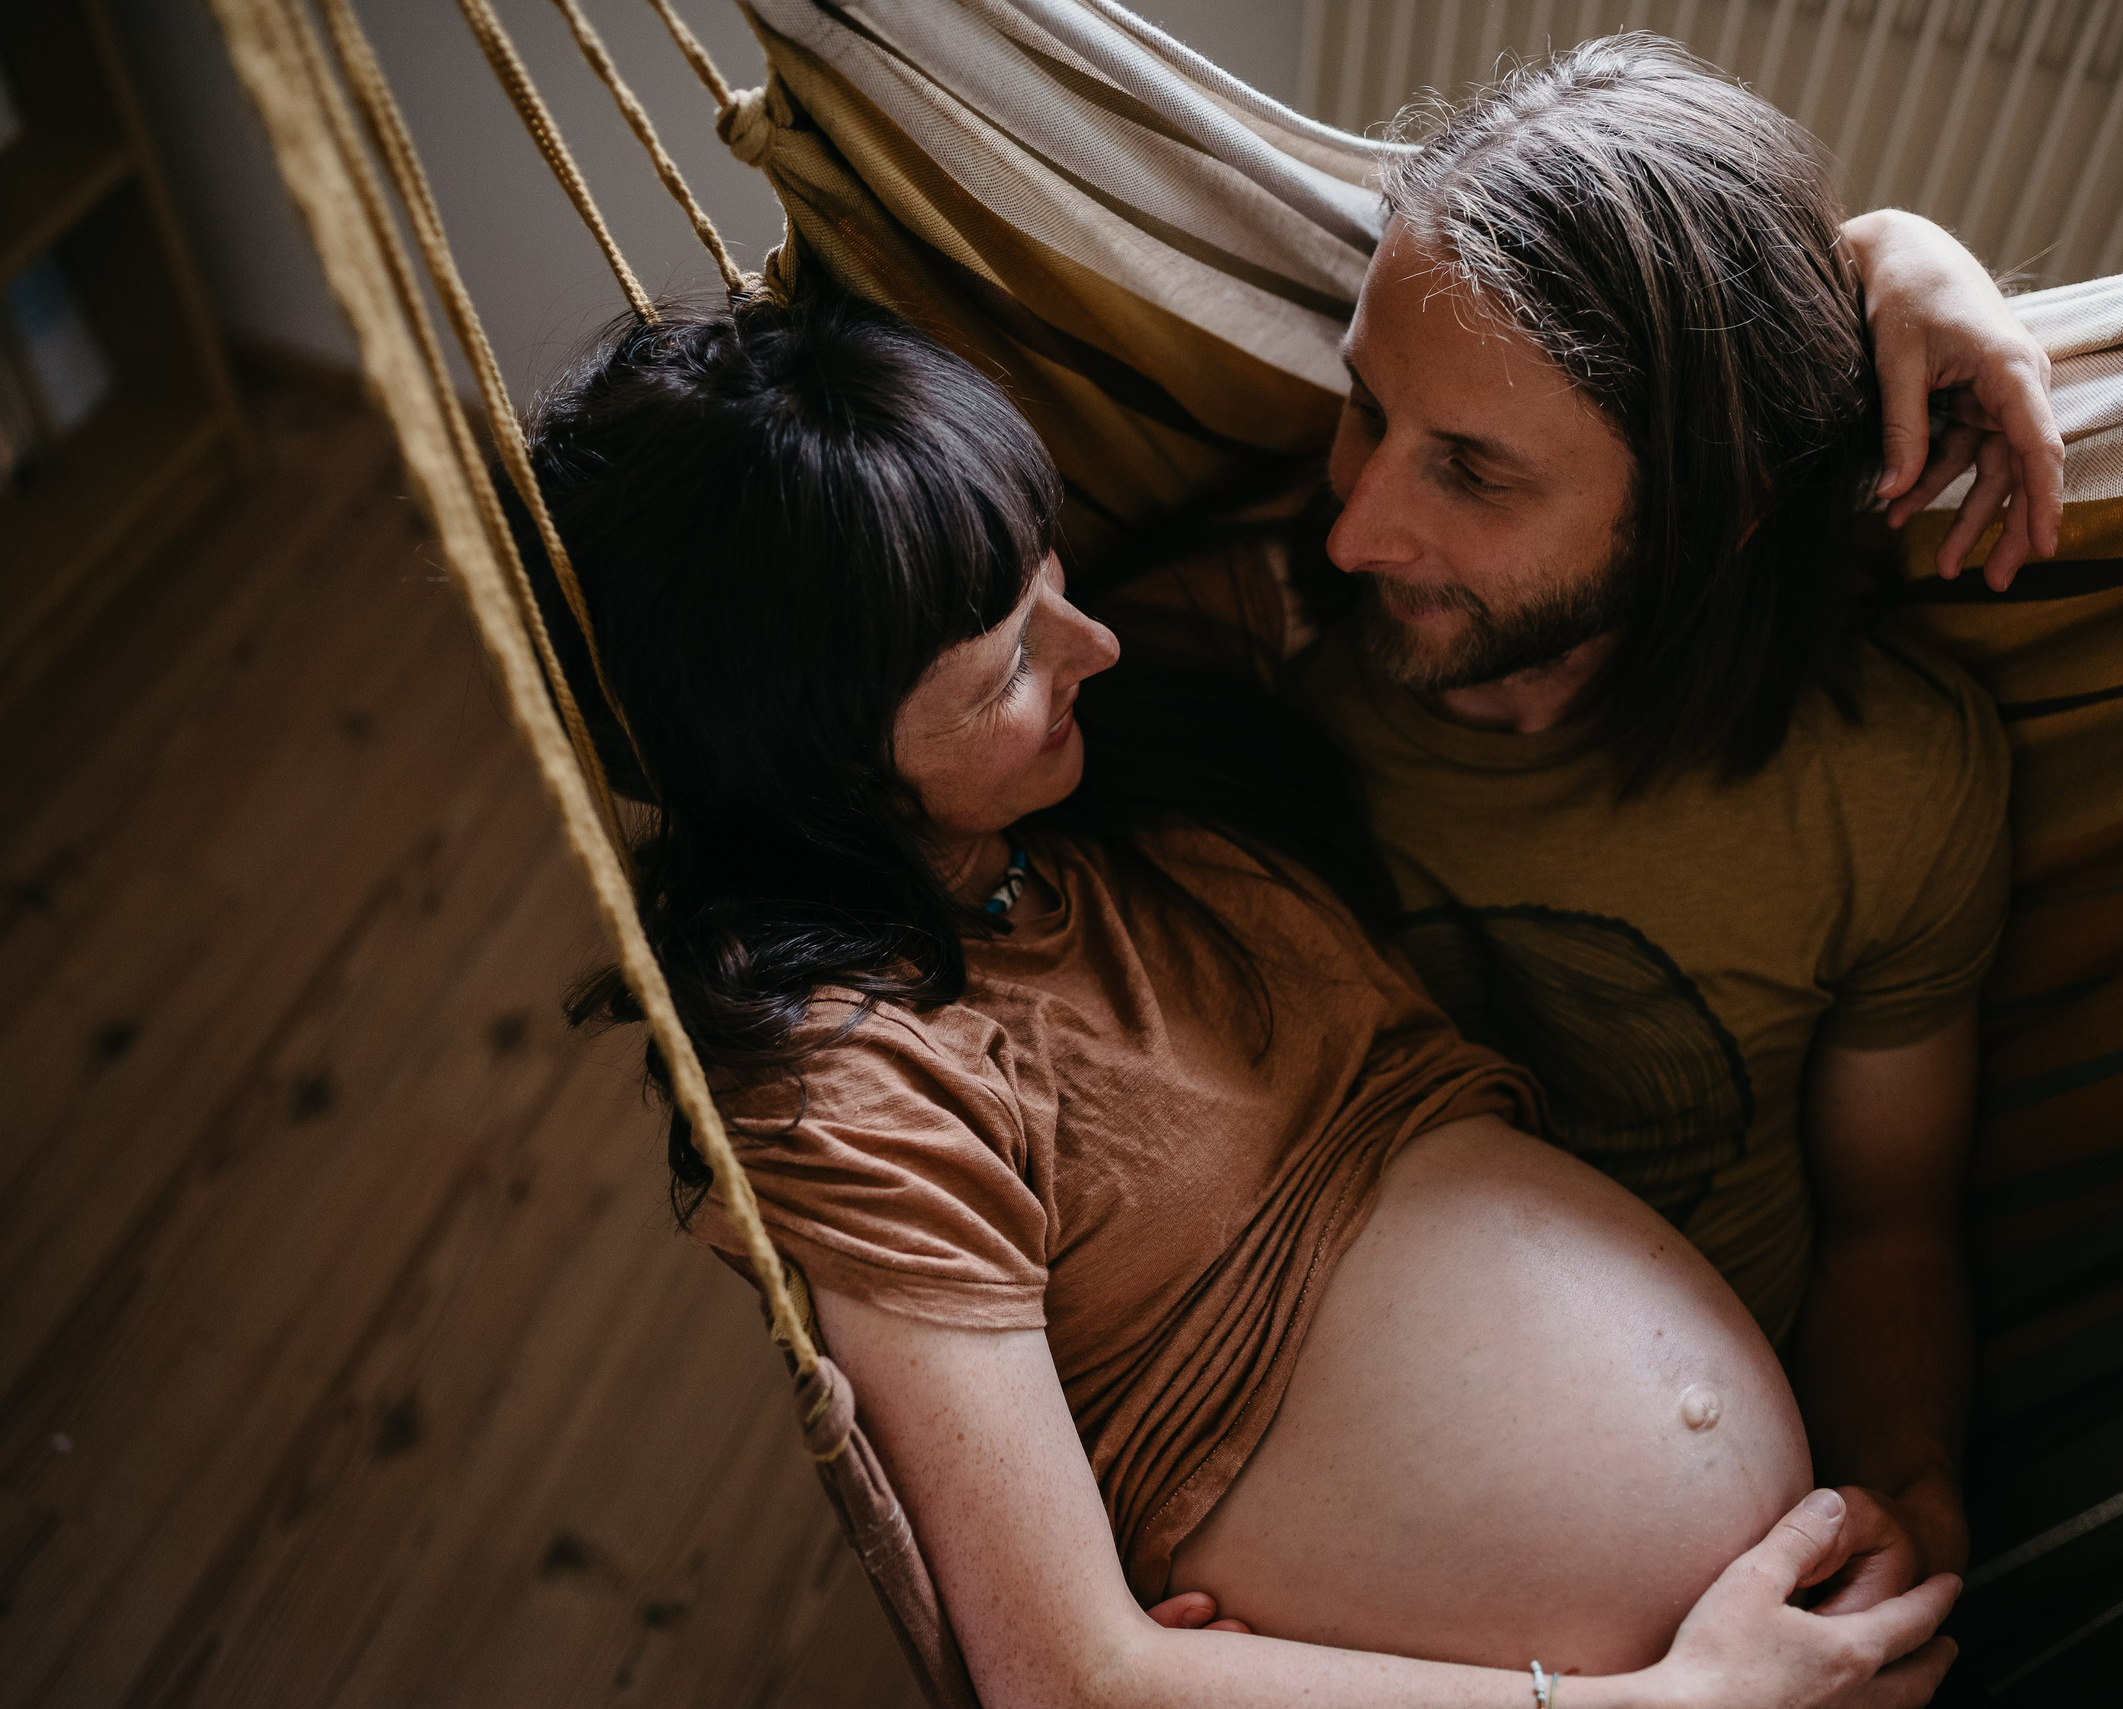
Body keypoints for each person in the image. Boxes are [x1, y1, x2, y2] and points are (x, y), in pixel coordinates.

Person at [527, 287, 1962, 1707]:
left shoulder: (1130, 731)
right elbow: (1067, 1674)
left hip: (1810, 1614)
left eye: (1052, 578)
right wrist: (1676, 1705)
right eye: (1009, 664)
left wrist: (1880, 278)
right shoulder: (854, 1082)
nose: (1090, 643)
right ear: (816, 771)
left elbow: (1562, 443)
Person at [1110, 35, 2043, 1599]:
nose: (1356, 524)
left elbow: (1888, 1220)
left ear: (1712, 505)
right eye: (1364, 408)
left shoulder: (1890, 780)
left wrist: (1909, 1491)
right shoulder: (1234, 664)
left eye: (1471, 472)